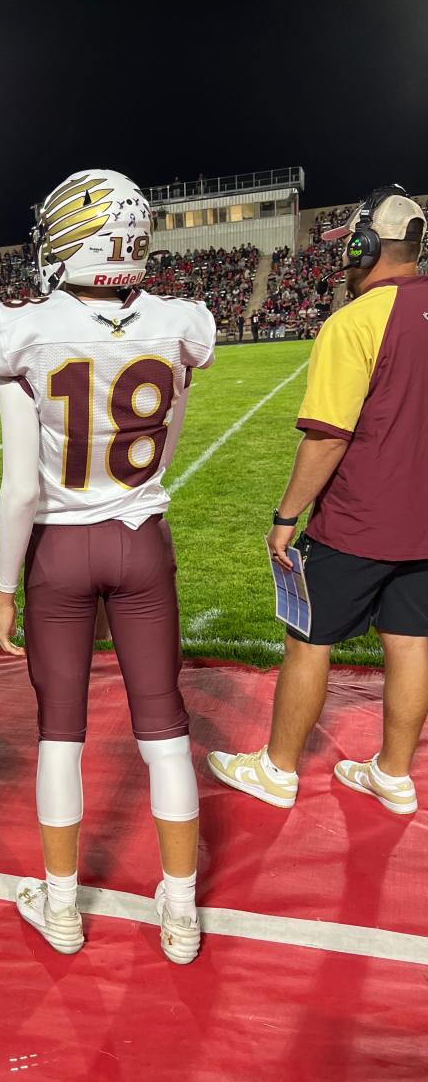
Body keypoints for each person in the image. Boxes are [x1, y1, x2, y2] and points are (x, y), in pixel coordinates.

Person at [0, 169, 215, 966]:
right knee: (166, 731)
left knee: (60, 736)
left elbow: (20, 489)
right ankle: (179, 913)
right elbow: (173, 434)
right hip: (142, 535)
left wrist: (5, 589)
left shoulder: (23, 329)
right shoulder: (180, 323)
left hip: (60, 549)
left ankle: (61, 907)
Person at [208, 186, 428, 815]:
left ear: (365, 244)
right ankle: (393, 773)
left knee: (308, 638)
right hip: (423, 517)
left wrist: (285, 517)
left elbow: (328, 438)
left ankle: (277, 770)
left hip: (359, 516)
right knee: (411, 639)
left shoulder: (356, 320)